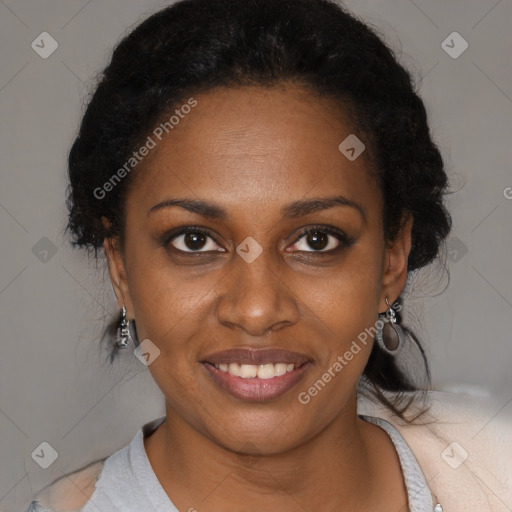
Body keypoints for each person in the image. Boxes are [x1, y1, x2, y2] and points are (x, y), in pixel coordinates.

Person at [25, 0, 511, 511]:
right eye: (194, 241)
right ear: (121, 268)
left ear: (392, 260)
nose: (256, 310)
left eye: (316, 240)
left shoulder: (491, 469)